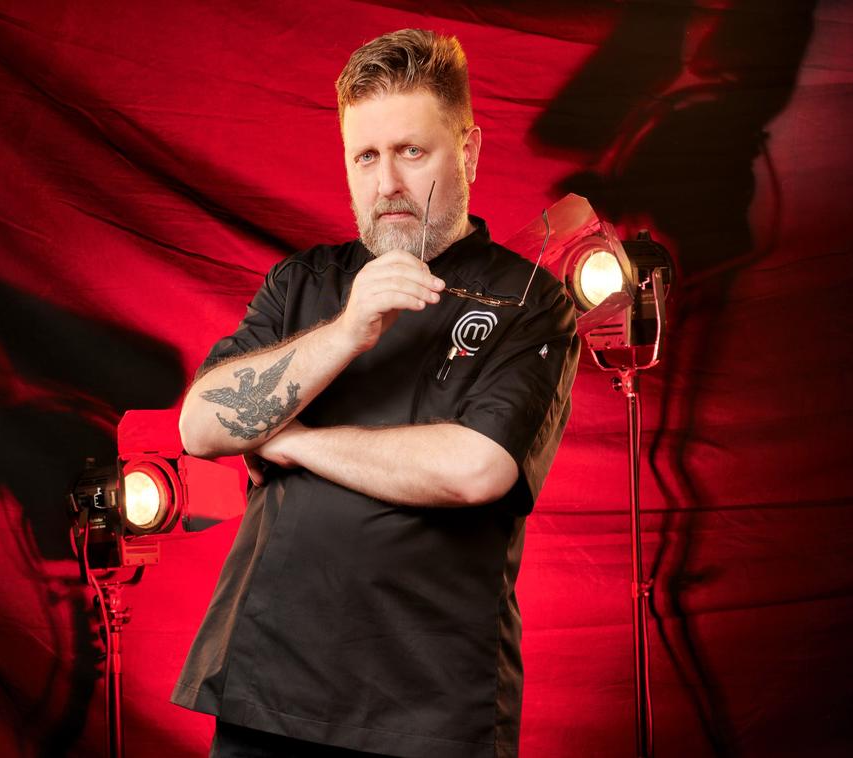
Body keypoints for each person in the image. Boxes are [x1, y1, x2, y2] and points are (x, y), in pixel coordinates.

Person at [171, 29, 579, 758]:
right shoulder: (302, 284)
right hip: (267, 689)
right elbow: (200, 426)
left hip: (429, 707)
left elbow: (476, 469)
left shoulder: (530, 301)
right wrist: (346, 332)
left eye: (410, 151)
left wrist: (292, 441)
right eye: (366, 156)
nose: (387, 182)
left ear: (469, 153)